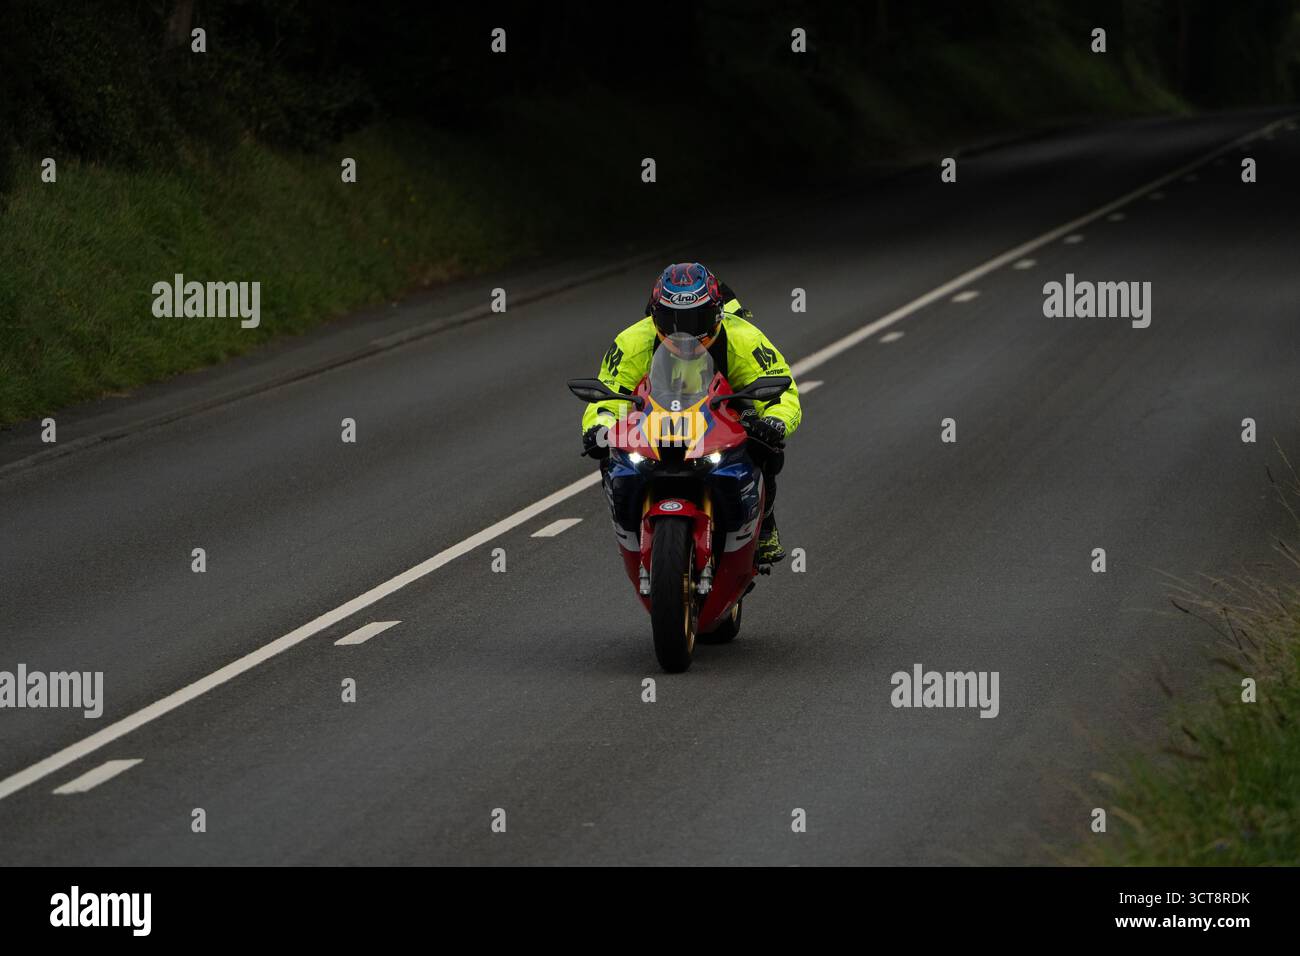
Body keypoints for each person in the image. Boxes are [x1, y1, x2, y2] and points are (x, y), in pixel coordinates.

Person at [580, 262, 801, 563]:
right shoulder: (632, 342)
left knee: (766, 446)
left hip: (726, 412)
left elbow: (782, 390)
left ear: (718, 313)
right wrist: (599, 427)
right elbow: (607, 393)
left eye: (698, 319)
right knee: (609, 453)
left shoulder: (744, 338)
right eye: (673, 320)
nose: (685, 332)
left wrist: (774, 422)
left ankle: (765, 527)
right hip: (652, 415)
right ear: (655, 316)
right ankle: (628, 526)